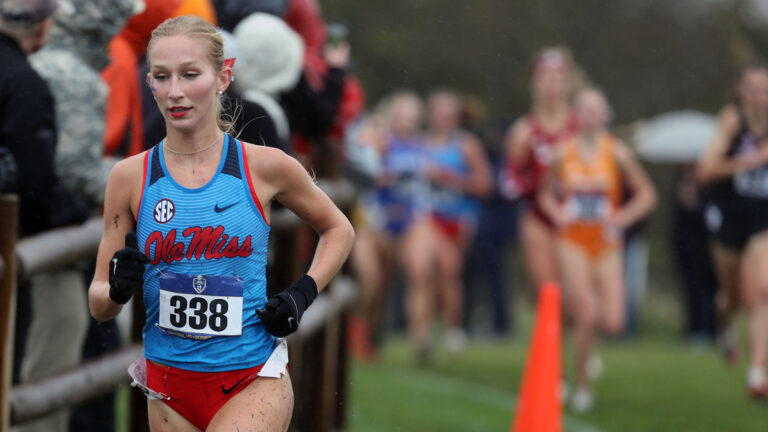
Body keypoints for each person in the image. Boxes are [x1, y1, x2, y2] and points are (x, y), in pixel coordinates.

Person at [87, 16, 354, 431]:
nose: (174, 92)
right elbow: (99, 304)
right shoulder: (130, 176)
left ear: (222, 77)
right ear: (150, 83)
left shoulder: (264, 166)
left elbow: (339, 229)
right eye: (161, 77)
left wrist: (303, 293)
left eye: (190, 75)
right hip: (168, 385)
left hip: (250, 377)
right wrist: (118, 288)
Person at [538, 87, 656, 412]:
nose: (591, 115)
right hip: (572, 241)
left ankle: (587, 352)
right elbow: (544, 194)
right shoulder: (562, 152)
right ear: (576, 115)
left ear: (605, 115)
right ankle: (582, 386)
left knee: (614, 321)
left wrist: (622, 218)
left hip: (607, 243)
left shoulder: (616, 152)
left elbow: (647, 195)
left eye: (596, 109)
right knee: (586, 313)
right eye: (585, 109)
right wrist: (557, 213)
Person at [0, 0, 90, 395]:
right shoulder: (25, 85)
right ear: (42, 27)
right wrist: (73, 213)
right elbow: (34, 183)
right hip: (12, 247)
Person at [402, 89, 492, 361]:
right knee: (420, 271)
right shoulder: (417, 144)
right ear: (430, 115)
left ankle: (452, 325)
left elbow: (485, 186)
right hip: (425, 218)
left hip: (457, 220)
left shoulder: (467, 145)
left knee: (449, 273)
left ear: (456, 117)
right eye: (437, 112)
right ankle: (421, 337)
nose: (442, 117)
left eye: (448, 113)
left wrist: (448, 177)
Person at [697, 62, 768, 398]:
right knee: (733, 298)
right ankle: (724, 322)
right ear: (741, 91)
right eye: (752, 88)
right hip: (728, 213)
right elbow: (705, 170)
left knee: (764, 289)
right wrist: (750, 160)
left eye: (765, 88)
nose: (760, 95)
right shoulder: (731, 122)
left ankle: (756, 373)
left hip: (762, 218)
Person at [347, 90, 425, 361]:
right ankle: (354, 333)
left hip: (399, 223)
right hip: (368, 222)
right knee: (370, 279)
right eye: (403, 116)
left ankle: (371, 335)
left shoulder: (419, 146)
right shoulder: (376, 137)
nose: (408, 122)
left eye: (413, 117)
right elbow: (363, 168)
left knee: (384, 286)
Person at [501, 47, 580, 292]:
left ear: (569, 83)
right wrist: (540, 186)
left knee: (578, 293)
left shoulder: (581, 125)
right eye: (545, 77)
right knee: (548, 290)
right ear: (534, 83)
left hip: (577, 213)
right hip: (537, 217)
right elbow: (508, 182)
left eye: (558, 77)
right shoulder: (524, 130)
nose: (551, 84)